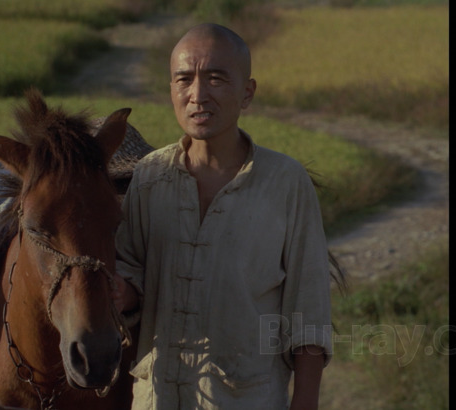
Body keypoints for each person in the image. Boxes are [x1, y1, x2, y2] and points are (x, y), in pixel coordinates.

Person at [111, 23, 333, 409]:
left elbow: (308, 307)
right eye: (184, 79)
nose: (197, 95)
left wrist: (306, 401)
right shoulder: (149, 176)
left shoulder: (285, 182)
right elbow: (132, 272)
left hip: (246, 398)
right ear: (171, 89)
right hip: (157, 398)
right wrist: (121, 292)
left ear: (247, 92)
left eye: (215, 79)